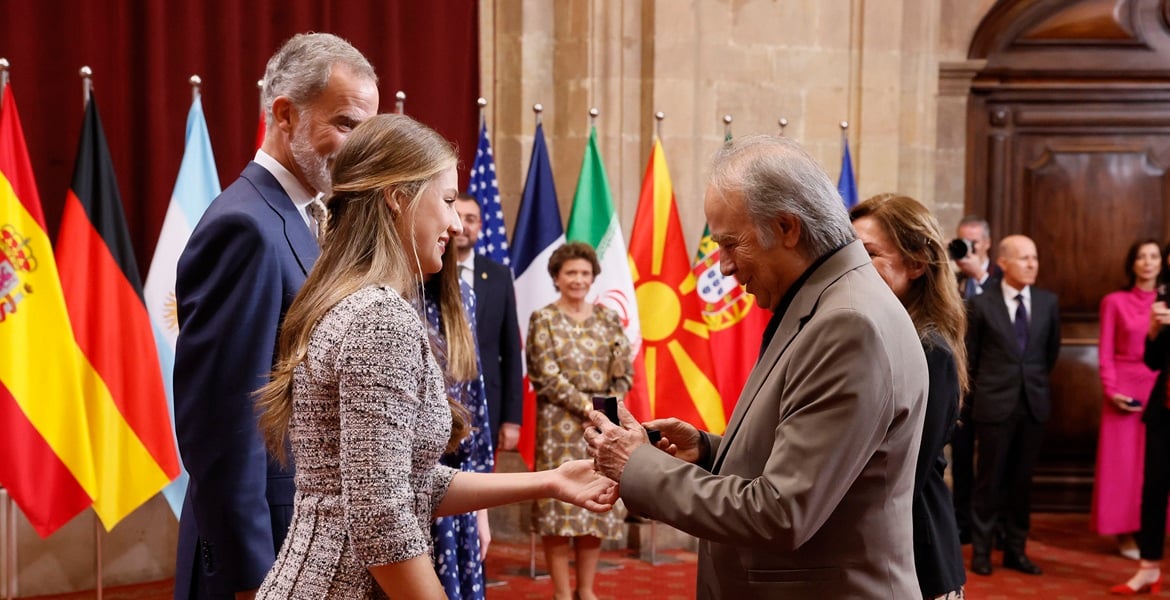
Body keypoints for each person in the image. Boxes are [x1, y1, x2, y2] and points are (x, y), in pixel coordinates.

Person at [252, 113, 617, 600]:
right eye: (447, 201)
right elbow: (382, 516)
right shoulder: (379, 317)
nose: (454, 223)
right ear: (397, 198)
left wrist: (550, 480)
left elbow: (404, 483)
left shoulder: (362, 302)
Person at [585, 134, 928, 599]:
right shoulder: (832, 301)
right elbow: (821, 459)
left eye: (730, 244)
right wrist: (709, 452)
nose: (723, 267)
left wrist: (636, 465)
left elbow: (783, 513)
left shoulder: (847, 324)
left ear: (787, 228)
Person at [172, 33, 378, 600]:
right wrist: (253, 577)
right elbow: (222, 428)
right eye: (346, 124)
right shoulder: (245, 228)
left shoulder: (312, 216)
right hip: (265, 557)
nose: (360, 149)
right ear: (285, 114)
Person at [850, 194, 967, 599]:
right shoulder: (869, 332)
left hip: (915, 553)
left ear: (916, 263)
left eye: (869, 254)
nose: (854, 268)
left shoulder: (930, 350)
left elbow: (903, 475)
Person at [527, 240, 632, 600]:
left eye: (585, 273)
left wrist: (607, 408)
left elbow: (624, 372)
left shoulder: (608, 318)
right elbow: (546, 375)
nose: (578, 279)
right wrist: (591, 408)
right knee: (557, 505)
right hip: (558, 425)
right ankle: (561, 592)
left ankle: (586, 591)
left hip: (603, 429)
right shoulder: (543, 318)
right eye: (571, 272)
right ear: (557, 277)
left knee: (596, 500)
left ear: (593, 277)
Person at [966, 235, 1061, 576]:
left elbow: (1049, 355)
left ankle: (1015, 550)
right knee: (988, 482)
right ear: (1003, 262)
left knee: (1022, 483)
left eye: (1034, 257)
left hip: (1033, 405)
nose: (1032, 264)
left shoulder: (1048, 303)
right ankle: (981, 550)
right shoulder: (981, 305)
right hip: (994, 405)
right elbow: (971, 360)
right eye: (1024, 258)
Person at [424, 244, 494, 600]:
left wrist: (480, 512)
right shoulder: (382, 299)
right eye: (448, 201)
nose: (456, 225)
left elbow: (474, 404)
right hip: (405, 496)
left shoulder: (462, 295)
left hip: (457, 494)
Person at [1094, 240, 1162, 562]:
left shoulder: (1165, 302)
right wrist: (1111, 390)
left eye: (1154, 256)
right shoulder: (1114, 301)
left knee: (1155, 466)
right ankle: (1124, 532)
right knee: (1123, 467)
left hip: (1161, 389)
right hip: (1124, 390)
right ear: (1132, 263)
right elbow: (1105, 351)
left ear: (1162, 263)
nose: (1148, 262)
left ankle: (1152, 533)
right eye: (1141, 257)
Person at [1111, 246, 1170, 595]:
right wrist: (1152, 332)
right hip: (1163, 409)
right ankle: (1148, 568)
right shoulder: (1164, 297)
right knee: (1154, 489)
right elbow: (1153, 361)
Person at [454, 193, 524, 452]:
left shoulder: (499, 276)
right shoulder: (425, 271)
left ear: (480, 226)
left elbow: (511, 351)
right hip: (438, 401)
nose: (463, 225)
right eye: (457, 216)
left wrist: (512, 420)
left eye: (470, 219)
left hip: (487, 404)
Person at [951, 214, 1002, 545]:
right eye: (962, 240)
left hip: (991, 383)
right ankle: (961, 523)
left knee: (991, 460)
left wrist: (980, 276)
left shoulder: (998, 278)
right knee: (959, 454)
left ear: (986, 243)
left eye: (973, 241)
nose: (967, 247)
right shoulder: (953, 277)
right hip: (958, 379)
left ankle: (990, 525)